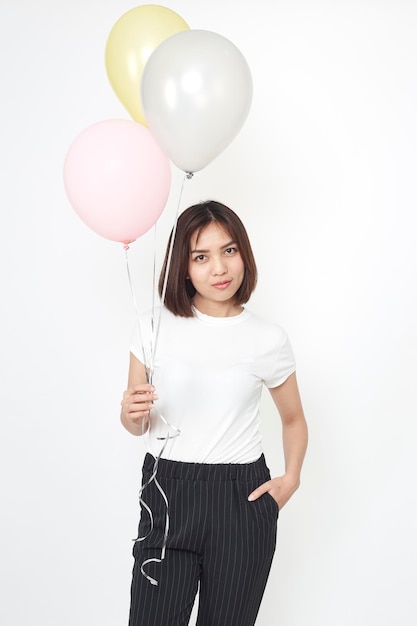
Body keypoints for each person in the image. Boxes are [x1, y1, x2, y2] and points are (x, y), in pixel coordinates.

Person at [120, 200, 308, 626]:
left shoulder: (268, 339)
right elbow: (136, 422)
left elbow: (293, 418)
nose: (219, 268)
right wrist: (130, 414)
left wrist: (291, 477)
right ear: (183, 268)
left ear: (244, 253)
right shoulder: (152, 327)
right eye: (201, 257)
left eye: (229, 251)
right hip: (167, 492)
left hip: (241, 498)